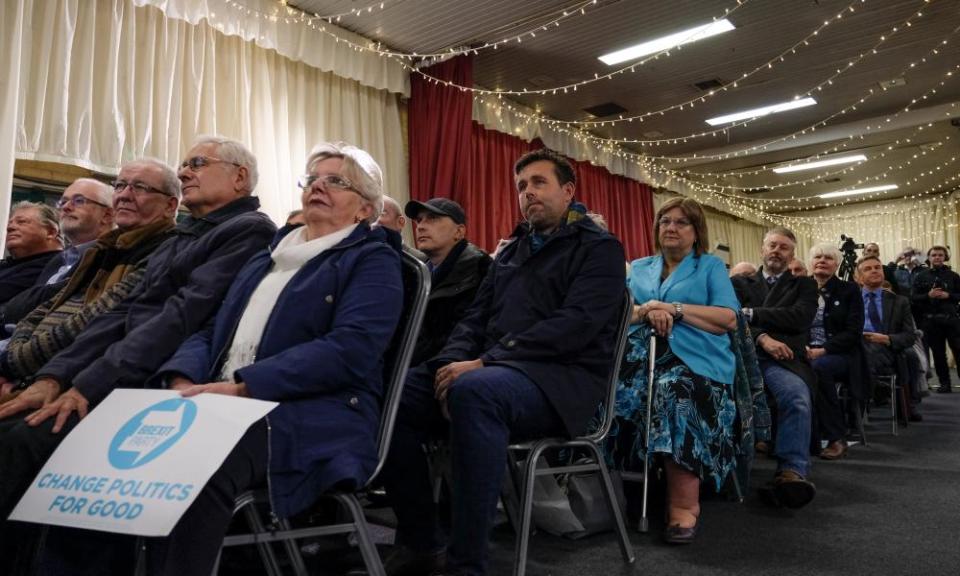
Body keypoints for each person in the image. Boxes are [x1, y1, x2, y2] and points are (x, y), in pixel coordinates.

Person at [93, 142, 403, 576]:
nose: (318, 186)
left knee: (199, 461)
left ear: (364, 210)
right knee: (118, 445)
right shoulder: (269, 257)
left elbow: (350, 350)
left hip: (317, 412)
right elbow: (210, 328)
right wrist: (182, 380)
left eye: (336, 180)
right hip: (222, 398)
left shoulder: (373, 260)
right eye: (313, 178)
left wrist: (243, 386)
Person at [0, 136, 277, 565]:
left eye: (197, 163)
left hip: (158, 378)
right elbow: (116, 314)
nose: (185, 171)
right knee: (16, 425)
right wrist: (51, 378)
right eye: (184, 164)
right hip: (119, 368)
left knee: (29, 439)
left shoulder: (248, 230)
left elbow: (178, 319)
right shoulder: (184, 235)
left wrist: (86, 386)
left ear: (239, 177)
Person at [382, 149, 625, 576]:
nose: (527, 192)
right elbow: (474, 318)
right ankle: (423, 540)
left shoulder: (600, 249)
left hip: (560, 381)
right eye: (521, 187)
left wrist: (487, 360)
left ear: (568, 191)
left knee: (476, 392)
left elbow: (576, 326)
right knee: (393, 393)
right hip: (497, 371)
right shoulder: (511, 250)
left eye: (538, 182)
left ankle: (467, 564)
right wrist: (453, 362)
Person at [606, 197, 738, 544]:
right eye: (665, 221)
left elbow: (727, 318)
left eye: (681, 222)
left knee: (674, 392)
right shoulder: (639, 266)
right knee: (601, 388)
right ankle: (604, 492)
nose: (671, 227)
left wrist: (674, 308)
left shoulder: (710, 267)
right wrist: (649, 310)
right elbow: (619, 313)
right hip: (639, 354)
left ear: (697, 232)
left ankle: (683, 505)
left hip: (696, 360)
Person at [0, 159, 179, 385]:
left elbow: (94, 320)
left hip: (70, 378)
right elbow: (43, 309)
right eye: (120, 186)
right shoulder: (105, 249)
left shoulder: (167, 249)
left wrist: (13, 364)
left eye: (140, 187)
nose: (124, 195)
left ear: (170, 206)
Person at [731, 227, 818, 509]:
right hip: (741, 358)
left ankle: (791, 471)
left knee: (796, 397)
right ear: (762, 249)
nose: (776, 251)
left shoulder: (804, 285)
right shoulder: (740, 283)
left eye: (784, 247)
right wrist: (763, 337)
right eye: (772, 245)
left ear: (792, 254)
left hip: (784, 360)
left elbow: (800, 318)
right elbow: (730, 319)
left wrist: (752, 314)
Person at [0, 179, 115, 329]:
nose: (66, 207)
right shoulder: (59, 261)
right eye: (63, 202)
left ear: (107, 215)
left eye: (79, 201)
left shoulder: (111, 257)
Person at [404, 197, 491, 367]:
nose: (420, 226)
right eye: (419, 220)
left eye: (433, 218)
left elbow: (470, 333)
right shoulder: (417, 274)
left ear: (459, 232)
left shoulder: (481, 269)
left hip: (451, 366)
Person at [804, 243, 863, 460]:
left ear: (836, 264)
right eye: (817, 257)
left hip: (840, 355)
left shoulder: (849, 290)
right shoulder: (801, 288)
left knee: (818, 369)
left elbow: (853, 332)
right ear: (810, 263)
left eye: (828, 258)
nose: (822, 261)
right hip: (804, 352)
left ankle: (836, 437)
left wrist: (824, 350)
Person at [857, 256, 923, 421]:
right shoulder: (849, 299)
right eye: (868, 269)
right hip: (857, 345)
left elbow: (909, 336)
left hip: (886, 346)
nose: (874, 270)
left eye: (877, 267)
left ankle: (858, 410)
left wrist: (886, 339)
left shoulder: (900, 301)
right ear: (858, 278)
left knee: (908, 355)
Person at [911, 245, 960, 393]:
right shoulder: (920, 276)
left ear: (945, 257)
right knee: (938, 354)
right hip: (931, 321)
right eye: (934, 255)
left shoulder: (954, 276)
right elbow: (913, 298)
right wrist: (928, 296)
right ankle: (944, 383)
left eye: (940, 255)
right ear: (929, 257)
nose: (937, 257)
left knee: (959, 350)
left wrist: (949, 296)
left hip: (951, 320)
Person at [0, 203, 63, 304]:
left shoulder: (58, 267)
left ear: (51, 232)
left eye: (21, 222)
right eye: (10, 223)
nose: (10, 227)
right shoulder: (8, 265)